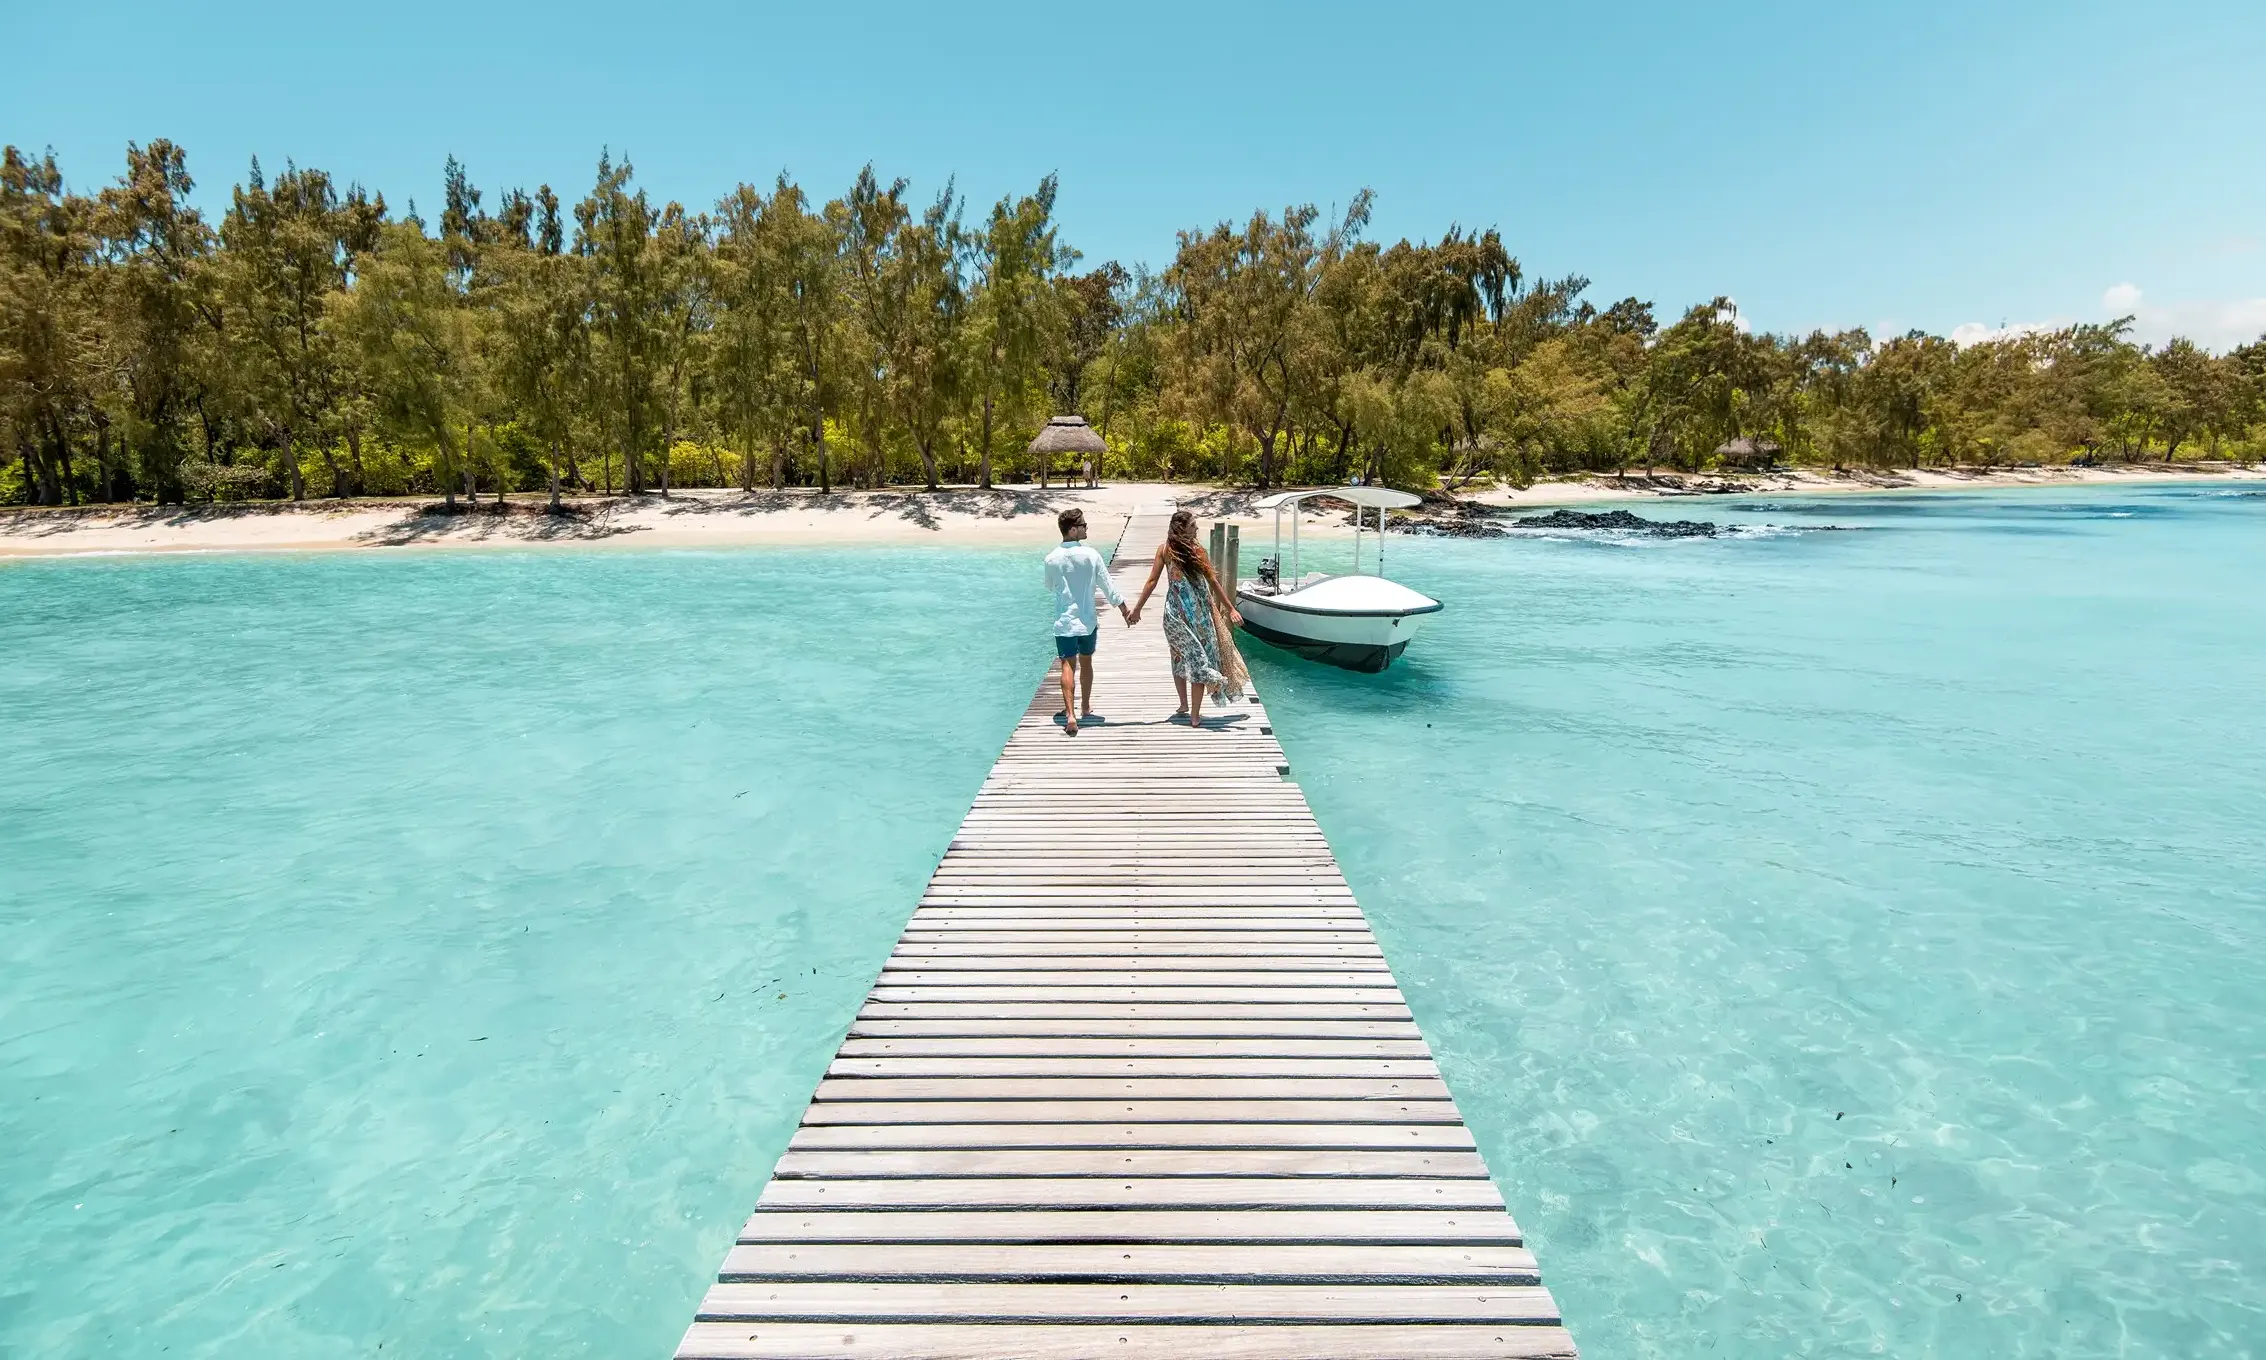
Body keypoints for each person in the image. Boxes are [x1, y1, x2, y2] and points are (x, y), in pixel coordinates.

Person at [1129, 509, 1250, 728]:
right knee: (1187, 659)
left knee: (1188, 658)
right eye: (1193, 525)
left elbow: (1212, 582)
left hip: (1181, 615)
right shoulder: (1175, 551)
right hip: (1189, 617)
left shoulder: (1178, 550)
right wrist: (1137, 609)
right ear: (1181, 528)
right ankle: (1189, 709)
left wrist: (1230, 608)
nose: (1196, 528)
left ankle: (1191, 709)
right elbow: (1152, 581)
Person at [1043, 507, 1131, 736]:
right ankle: (1085, 706)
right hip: (1087, 622)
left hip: (1064, 623)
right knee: (1086, 662)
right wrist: (1124, 610)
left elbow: (1050, 586)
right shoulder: (1092, 555)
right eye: (1083, 525)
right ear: (1073, 530)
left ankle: (1070, 715)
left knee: (1067, 665)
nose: (1086, 528)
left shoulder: (1051, 558)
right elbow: (1108, 586)